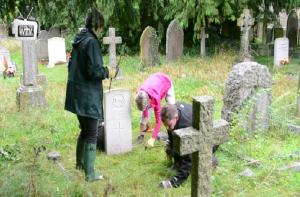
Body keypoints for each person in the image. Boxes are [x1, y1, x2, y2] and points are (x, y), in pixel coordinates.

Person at [64, 8, 117, 182]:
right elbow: (94, 71)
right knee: (92, 133)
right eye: (101, 27)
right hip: (87, 95)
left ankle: (80, 164)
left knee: (85, 130)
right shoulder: (91, 42)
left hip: (77, 93)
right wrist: (108, 71)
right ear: (96, 25)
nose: (101, 31)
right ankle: (90, 173)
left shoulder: (79, 39)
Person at [159, 102, 219, 188]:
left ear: (176, 117)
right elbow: (173, 139)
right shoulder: (172, 110)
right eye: (166, 126)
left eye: (169, 125)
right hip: (197, 131)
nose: (167, 128)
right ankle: (177, 165)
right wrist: (172, 150)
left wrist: (174, 182)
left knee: (191, 156)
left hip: (209, 139)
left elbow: (188, 160)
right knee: (171, 145)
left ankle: (210, 161)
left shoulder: (185, 126)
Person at [135, 72, 175, 147]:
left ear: (149, 101)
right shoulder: (140, 93)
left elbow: (158, 121)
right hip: (155, 80)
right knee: (143, 118)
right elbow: (144, 108)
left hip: (166, 82)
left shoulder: (156, 98)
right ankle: (141, 136)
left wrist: (153, 139)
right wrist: (146, 117)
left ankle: (172, 135)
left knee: (171, 111)